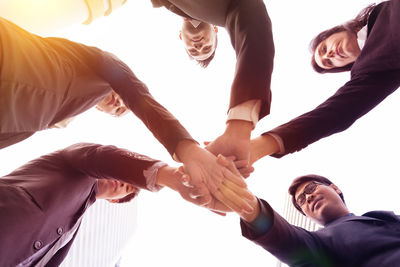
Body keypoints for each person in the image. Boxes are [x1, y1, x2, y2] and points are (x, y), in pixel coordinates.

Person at [0, 17, 250, 209]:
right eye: (123, 101)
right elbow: (138, 96)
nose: (120, 103)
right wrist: (188, 150)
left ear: (97, 110)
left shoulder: (46, 122)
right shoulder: (99, 67)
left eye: (119, 109)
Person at [0, 142, 254, 266]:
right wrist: (173, 178)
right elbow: (101, 157)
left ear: (114, 201)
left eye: (128, 190)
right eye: (125, 180)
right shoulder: (70, 163)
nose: (123, 185)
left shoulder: (72, 228)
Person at [241, 0, 400, 167]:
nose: (329, 55)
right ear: (344, 67)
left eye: (324, 49)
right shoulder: (371, 71)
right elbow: (335, 113)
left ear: (336, 31)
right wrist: (257, 147)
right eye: (329, 63)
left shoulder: (380, 10)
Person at [151, 0, 274, 169]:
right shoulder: (227, 9)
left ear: (182, 38)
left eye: (193, 50)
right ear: (216, 30)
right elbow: (253, 24)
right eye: (207, 48)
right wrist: (239, 124)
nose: (199, 47)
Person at [211, 157, 400, 267]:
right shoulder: (317, 242)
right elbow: (283, 237)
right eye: (302, 201)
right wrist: (245, 203)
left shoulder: (380, 216)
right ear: (307, 215)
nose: (308, 198)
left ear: (335, 188)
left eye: (311, 189)